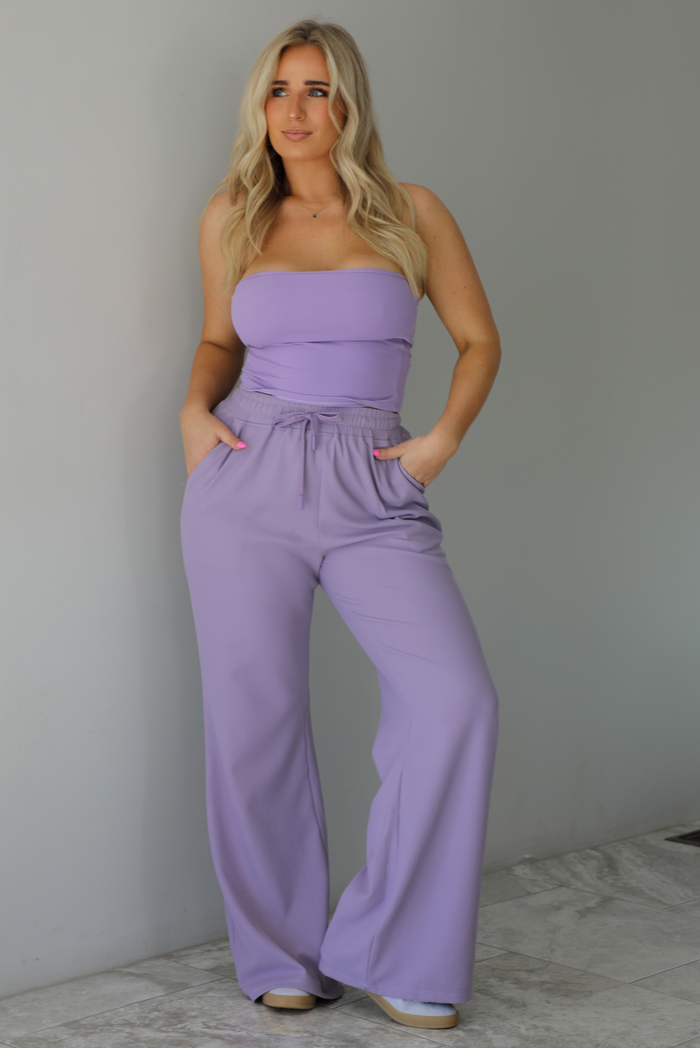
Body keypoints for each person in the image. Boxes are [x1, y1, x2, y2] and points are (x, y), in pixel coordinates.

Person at [179, 17, 500, 1033]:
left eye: (316, 91)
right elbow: (217, 338)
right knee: (253, 723)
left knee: (454, 699)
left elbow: (478, 338)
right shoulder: (232, 214)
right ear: (259, 108)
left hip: (372, 479)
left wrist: (441, 437)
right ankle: (282, 953)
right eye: (278, 92)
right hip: (250, 474)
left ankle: (398, 949)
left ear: (348, 104)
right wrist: (192, 412)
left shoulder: (412, 211)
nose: (294, 111)